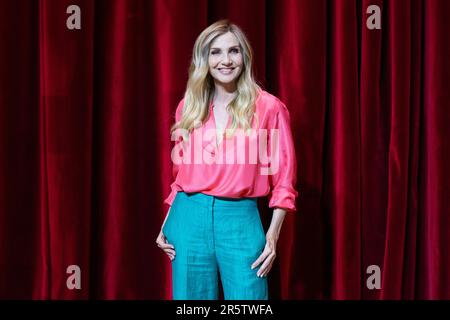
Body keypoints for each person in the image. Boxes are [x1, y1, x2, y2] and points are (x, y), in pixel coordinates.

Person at [156, 19, 298, 300]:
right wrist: (167, 222)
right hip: (188, 218)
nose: (225, 60)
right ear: (204, 60)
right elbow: (180, 178)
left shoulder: (269, 107)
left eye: (233, 51)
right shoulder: (188, 107)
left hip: (240, 219)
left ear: (244, 56)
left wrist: (272, 236)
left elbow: (284, 180)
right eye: (215, 52)